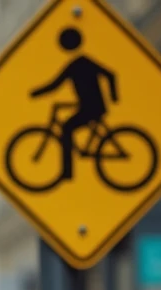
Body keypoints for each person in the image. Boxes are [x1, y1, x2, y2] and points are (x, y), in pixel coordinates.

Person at [29, 26, 118, 182]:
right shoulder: (77, 64)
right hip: (89, 106)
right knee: (71, 126)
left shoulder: (80, 63)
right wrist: (36, 93)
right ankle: (74, 164)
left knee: (66, 128)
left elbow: (110, 74)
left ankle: (67, 171)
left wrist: (114, 97)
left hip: (93, 108)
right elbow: (55, 84)